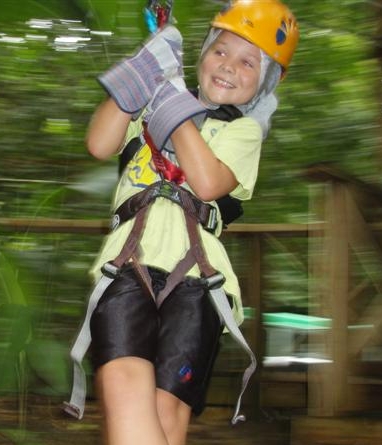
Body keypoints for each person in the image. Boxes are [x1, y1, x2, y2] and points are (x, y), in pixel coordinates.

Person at [65, 1, 299, 445]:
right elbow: (99, 143)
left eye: (248, 62)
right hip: (126, 263)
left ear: (265, 83)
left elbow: (208, 182)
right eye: (221, 51)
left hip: (199, 278)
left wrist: (169, 98)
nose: (229, 66)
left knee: (167, 414)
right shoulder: (150, 105)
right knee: (122, 385)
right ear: (203, 54)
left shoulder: (243, 133)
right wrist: (145, 73)